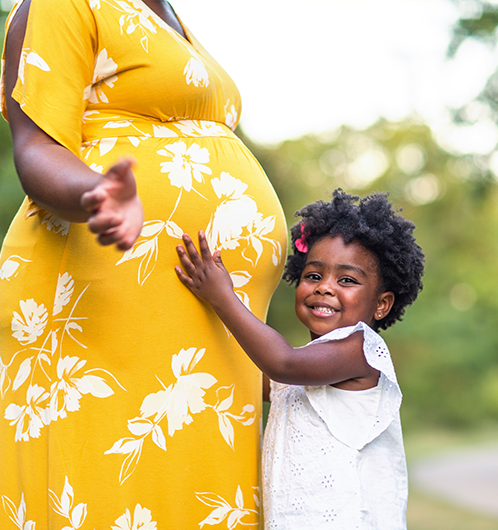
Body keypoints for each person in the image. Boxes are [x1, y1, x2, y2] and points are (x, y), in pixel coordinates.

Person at [0, 0, 286, 528]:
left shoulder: (165, 14)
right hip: (102, 300)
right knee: (108, 491)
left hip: (204, 326)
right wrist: (100, 194)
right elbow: (35, 146)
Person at [175, 189, 425, 529]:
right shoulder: (300, 369)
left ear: (381, 304)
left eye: (347, 280)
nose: (324, 287)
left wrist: (223, 297)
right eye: (313, 275)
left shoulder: (362, 351)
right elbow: (247, 375)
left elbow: (282, 363)